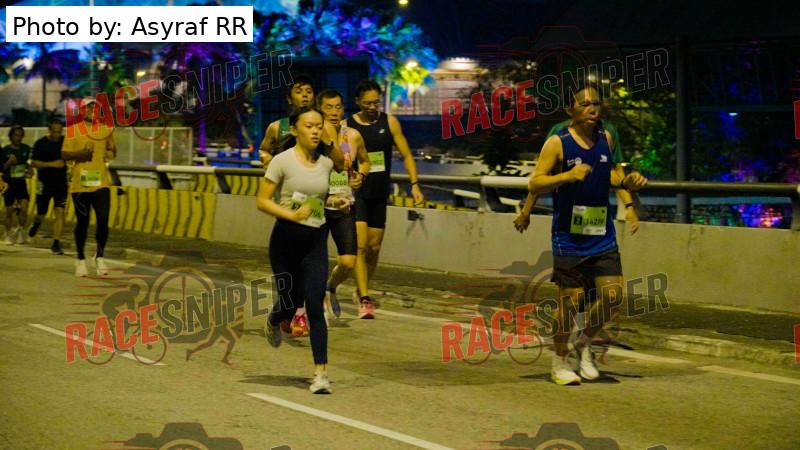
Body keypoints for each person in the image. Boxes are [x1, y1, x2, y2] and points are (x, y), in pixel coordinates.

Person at [527, 83, 647, 385]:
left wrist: (629, 181)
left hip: (601, 233)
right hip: (568, 237)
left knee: (612, 297)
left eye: (597, 104)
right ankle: (559, 362)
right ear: (571, 109)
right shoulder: (558, 143)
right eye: (585, 104)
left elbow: (613, 175)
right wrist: (568, 175)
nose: (593, 109)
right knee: (571, 301)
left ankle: (584, 346)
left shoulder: (606, 138)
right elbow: (535, 183)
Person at [257, 106, 348, 394]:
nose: (315, 131)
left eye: (319, 126)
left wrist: (336, 202)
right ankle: (274, 320)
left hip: (315, 240)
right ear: (295, 130)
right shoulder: (281, 161)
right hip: (285, 241)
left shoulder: (327, 164)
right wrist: (291, 214)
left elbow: (327, 197)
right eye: (309, 126)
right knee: (287, 304)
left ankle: (321, 374)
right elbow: (262, 201)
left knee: (314, 304)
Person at [345, 80, 425, 318]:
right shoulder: (347, 126)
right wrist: (342, 187)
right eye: (367, 103)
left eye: (375, 103)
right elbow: (341, 161)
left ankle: (360, 289)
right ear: (357, 102)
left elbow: (407, 155)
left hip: (379, 193)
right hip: (357, 194)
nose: (372, 107)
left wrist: (415, 184)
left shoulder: (389, 122)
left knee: (374, 248)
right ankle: (365, 298)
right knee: (360, 246)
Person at [514, 118, 639, 234]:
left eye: (596, 104)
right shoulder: (558, 133)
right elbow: (541, 175)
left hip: (600, 222)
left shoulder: (608, 132)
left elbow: (615, 171)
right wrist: (526, 211)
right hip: (567, 219)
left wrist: (629, 206)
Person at [315, 89, 371, 319]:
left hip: (345, 206)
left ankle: (330, 287)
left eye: (338, 107)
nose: (334, 112)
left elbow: (365, 161)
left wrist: (361, 176)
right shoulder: (314, 137)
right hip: (318, 206)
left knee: (348, 262)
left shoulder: (353, 136)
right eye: (328, 107)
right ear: (320, 110)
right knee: (313, 259)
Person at [61, 100, 117, 277]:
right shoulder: (73, 130)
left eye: (96, 107)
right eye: (89, 107)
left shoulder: (105, 129)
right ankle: (80, 259)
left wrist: (111, 152)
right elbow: (64, 154)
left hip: (101, 182)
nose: (93, 110)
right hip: (80, 183)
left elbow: (112, 151)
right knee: (83, 222)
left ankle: (100, 256)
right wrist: (81, 154)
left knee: (103, 219)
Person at [29, 118, 68, 254]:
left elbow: (67, 160)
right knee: (41, 213)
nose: (57, 134)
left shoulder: (66, 142)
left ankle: (56, 243)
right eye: (54, 132)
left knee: (60, 213)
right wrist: (52, 164)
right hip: (44, 184)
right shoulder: (40, 143)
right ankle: (36, 224)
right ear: (49, 130)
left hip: (61, 185)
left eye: (59, 132)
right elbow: (33, 162)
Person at [258, 75, 315, 166]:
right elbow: (263, 151)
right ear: (289, 99)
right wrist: (270, 162)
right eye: (299, 92)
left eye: (309, 92)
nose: (305, 95)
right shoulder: (276, 127)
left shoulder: (324, 126)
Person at [1, 125, 32, 245]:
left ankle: (20, 231)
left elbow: (29, 163)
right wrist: (8, 163)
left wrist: (30, 169)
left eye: (20, 135)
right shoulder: (5, 151)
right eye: (15, 135)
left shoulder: (26, 149)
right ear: (11, 136)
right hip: (9, 183)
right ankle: (8, 233)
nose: (18, 138)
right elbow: (1, 168)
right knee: (9, 211)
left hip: (21, 182)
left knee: (24, 208)